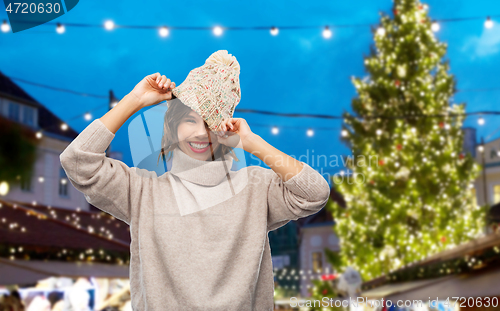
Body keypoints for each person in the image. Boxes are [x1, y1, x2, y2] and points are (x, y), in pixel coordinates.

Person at [59, 50, 330, 310]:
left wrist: (252, 142)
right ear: (173, 126)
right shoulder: (143, 191)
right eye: (190, 120)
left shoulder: (254, 188)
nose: (201, 133)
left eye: (211, 121)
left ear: (225, 128)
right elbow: (78, 161)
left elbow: (314, 193)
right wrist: (135, 100)